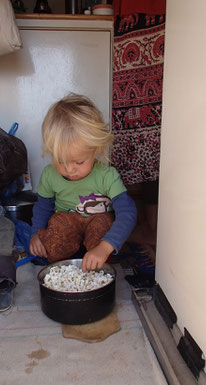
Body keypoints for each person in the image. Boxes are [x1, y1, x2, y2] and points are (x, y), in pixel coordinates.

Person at [29, 93, 137, 271]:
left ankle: (95, 262)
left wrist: (105, 247)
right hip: (68, 225)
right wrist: (35, 235)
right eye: (61, 161)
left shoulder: (107, 176)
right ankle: (65, 265)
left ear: (95, 150)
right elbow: (42, 208)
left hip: (97, 226)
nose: (70, 170)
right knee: (57, 226)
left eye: (79, 162)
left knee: (103, 223)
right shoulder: (49, 175)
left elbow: (128, 212)